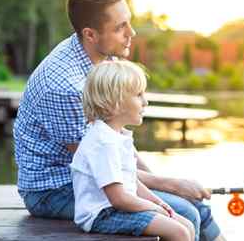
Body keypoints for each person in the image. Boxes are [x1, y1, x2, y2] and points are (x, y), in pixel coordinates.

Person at [13, 0, 224, 240]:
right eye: (120, 27)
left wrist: (164, 183)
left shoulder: (104, 57)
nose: (132, 33)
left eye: (129, 22)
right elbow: (99, 163)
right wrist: (169, 185)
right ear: (90, 34)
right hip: (54, 189)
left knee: (196, 207)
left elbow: (119, 144)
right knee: (185, 212)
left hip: (101, 176)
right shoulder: (66, 88)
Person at [71, 60, 193, 240]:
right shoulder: (103, 142)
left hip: (118, 208)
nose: (146, 101)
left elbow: (131, 182)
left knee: (187, 225)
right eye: (139, 95)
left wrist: (158, 202)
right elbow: (118, 198)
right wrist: (154, 208)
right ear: (114, 103)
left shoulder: (116, 136)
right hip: (102, 215)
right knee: (179, 232)